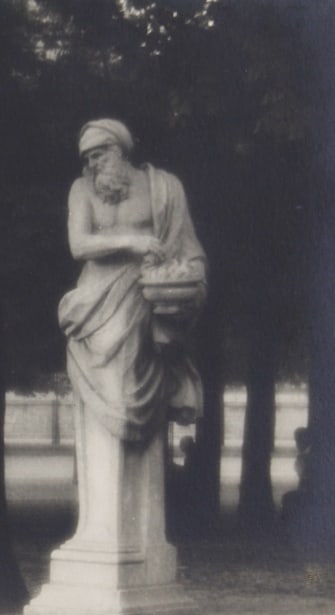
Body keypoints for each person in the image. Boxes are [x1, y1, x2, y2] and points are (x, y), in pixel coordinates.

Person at [58, 118, 207, 444]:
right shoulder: (82, 190)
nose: (92, 164)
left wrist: (189, 286)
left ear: (120, 150)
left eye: (99, 154)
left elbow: (188, 248)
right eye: (87, 158)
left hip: (147, 298)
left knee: (135, 380)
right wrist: (130, 241)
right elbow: (79, 244)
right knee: (114, 390)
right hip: (96, 306)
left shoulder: (163, 188)